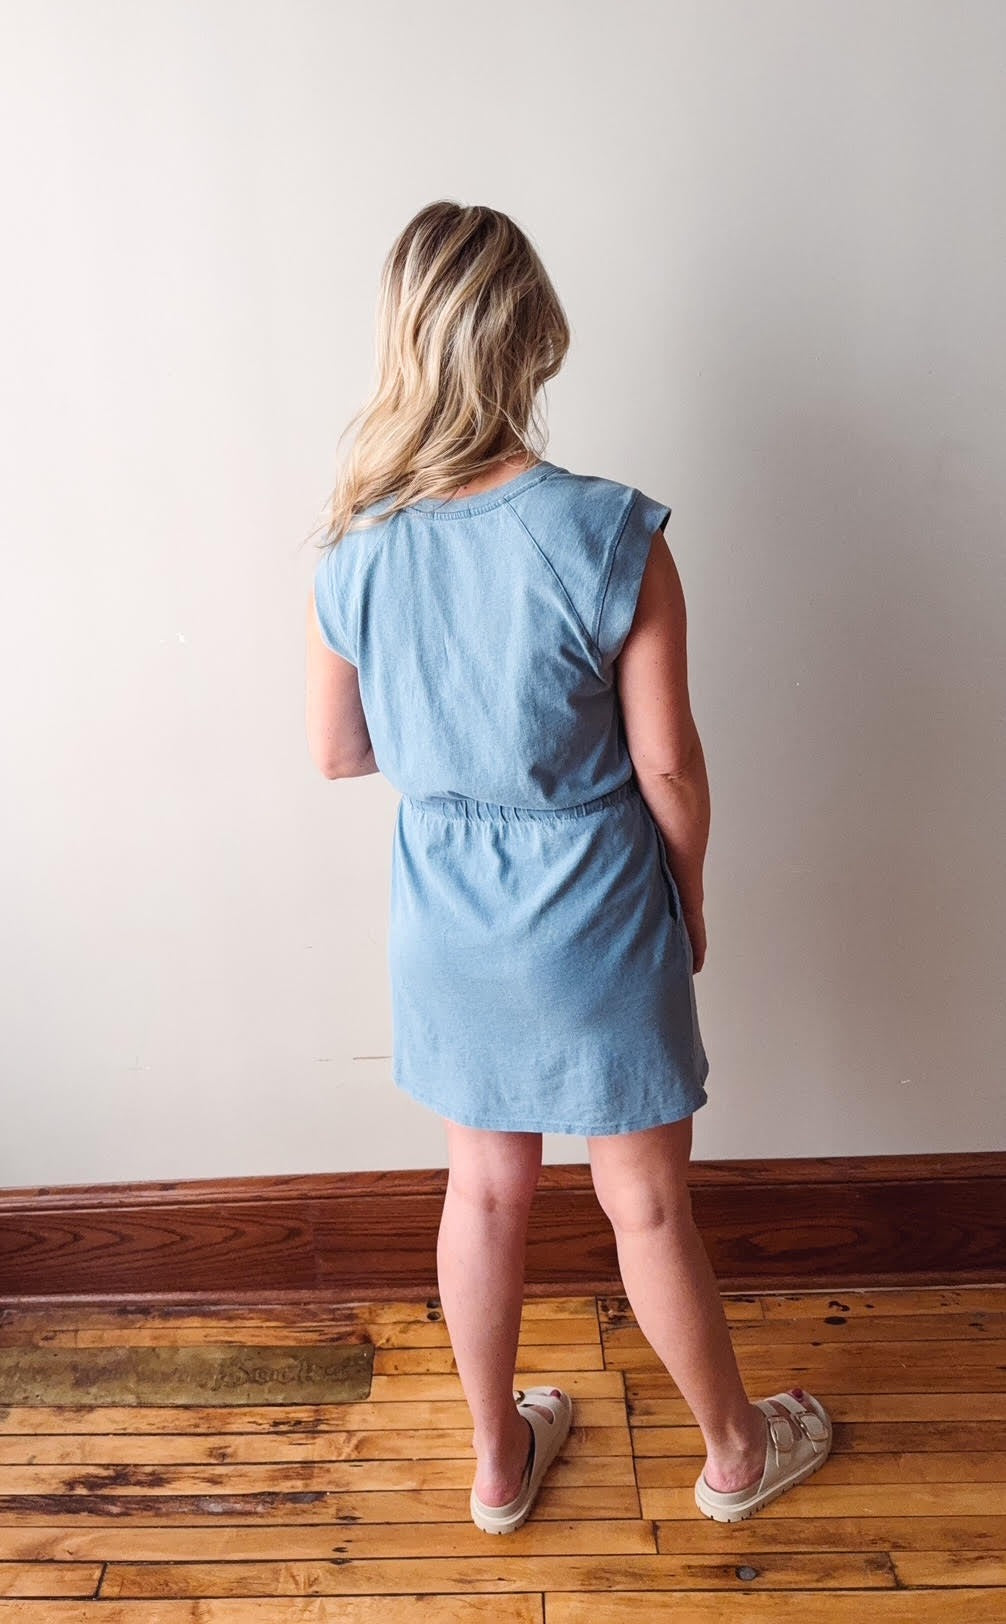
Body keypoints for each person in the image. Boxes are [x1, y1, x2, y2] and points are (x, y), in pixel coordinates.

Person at [305, 200, 832, 1532]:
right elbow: (666, 768)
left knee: (481, 1192)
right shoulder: (611, 532)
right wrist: (688, 891)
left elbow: (336, 753)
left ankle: (497, 1463)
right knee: (643, 1202)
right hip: (592, 902)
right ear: (533, 334)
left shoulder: (352, 546)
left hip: (445, 908)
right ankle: (732, 1455)